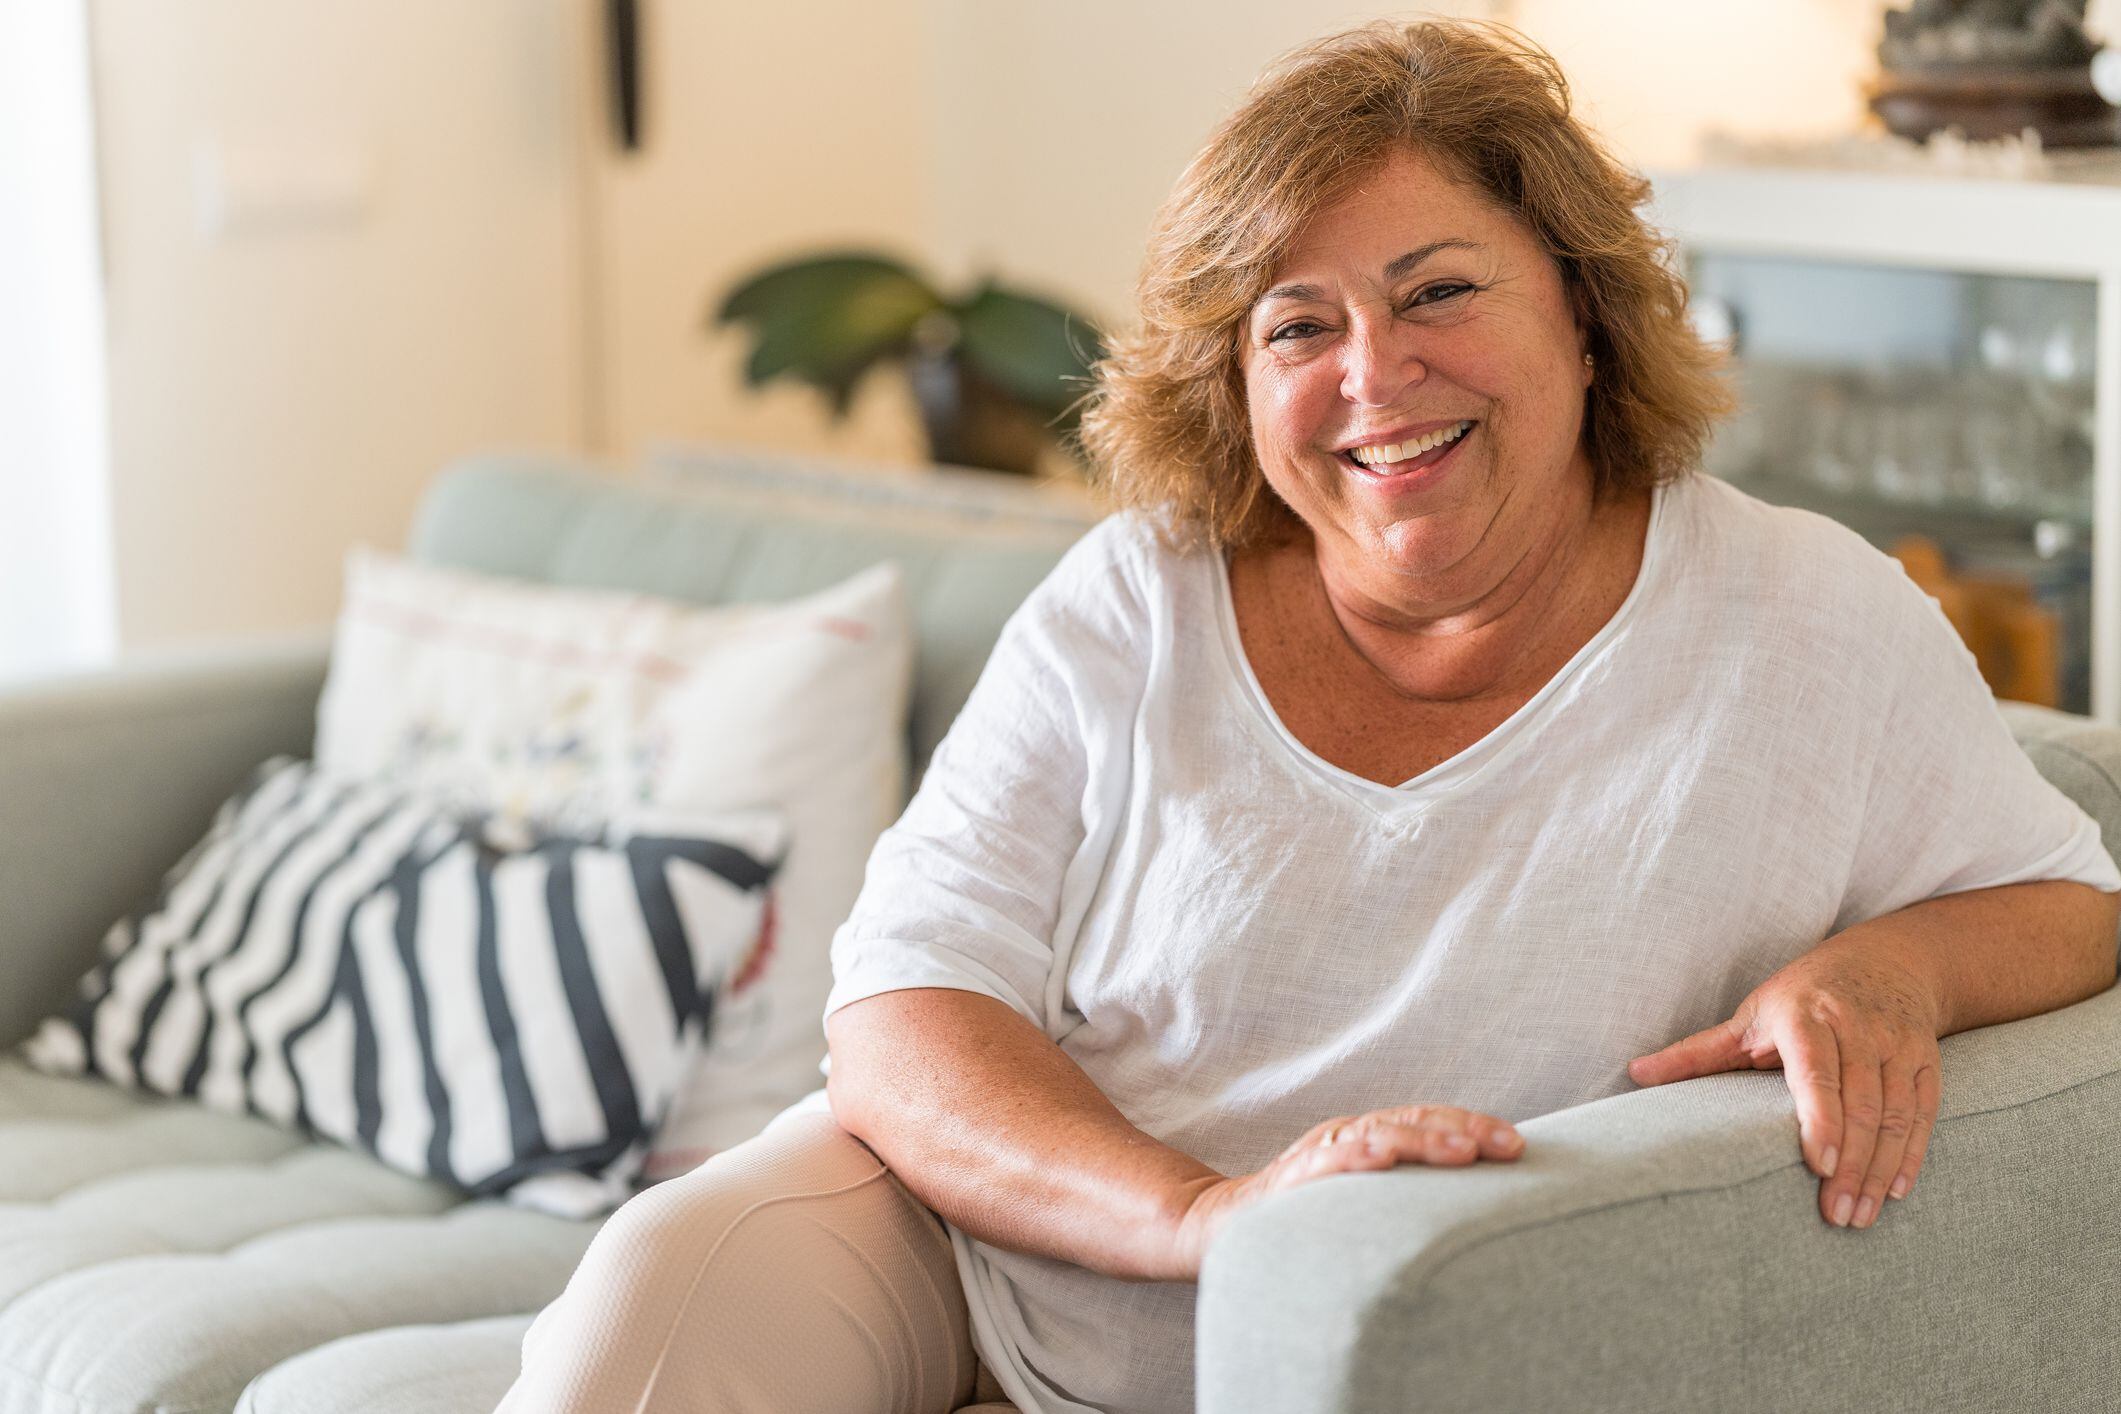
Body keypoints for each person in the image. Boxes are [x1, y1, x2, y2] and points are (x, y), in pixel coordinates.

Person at [495, 18, 2121, 1414]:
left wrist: (1883, 965)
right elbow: (906, 997)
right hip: (996, 1256)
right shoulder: (1138, 593)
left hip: (1396, 1333)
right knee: (653, 1280)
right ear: (1234, 380)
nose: (1372, 376)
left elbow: (2065, 899)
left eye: (1433, 292)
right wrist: (1205, 1215)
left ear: (1578, 302)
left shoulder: (1805, 616)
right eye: (1298, 326)